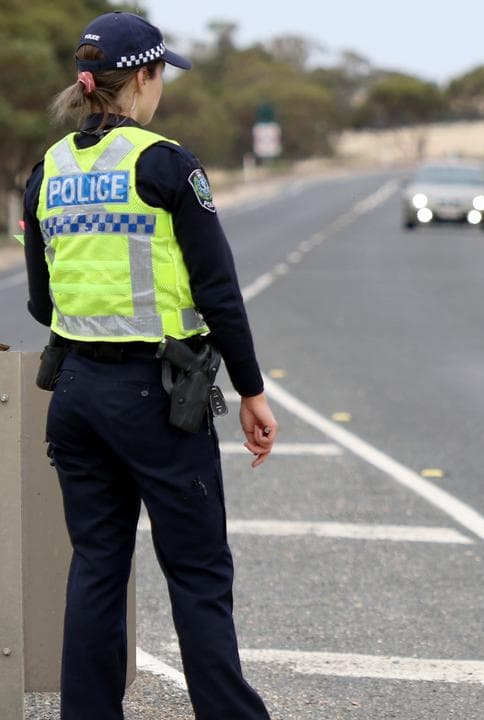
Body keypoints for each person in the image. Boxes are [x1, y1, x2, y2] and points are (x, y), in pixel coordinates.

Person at [22, 12, 277, 719]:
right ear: (142, 78)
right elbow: (219, 293)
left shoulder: (47, 171)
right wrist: (252, 392)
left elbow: (43, 303)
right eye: (160, 76)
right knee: (197, 574)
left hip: (75, 394)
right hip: (159, 400)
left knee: (97, 566)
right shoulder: (167, 165)